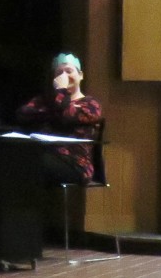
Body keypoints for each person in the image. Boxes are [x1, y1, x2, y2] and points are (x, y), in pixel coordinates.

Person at [15, 52, 105, 184]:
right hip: (45, 155)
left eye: (69, 71)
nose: (64, 76)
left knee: (34, 164)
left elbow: (66, 114)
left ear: (80, 75)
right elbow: (22, 114)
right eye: (59, 73)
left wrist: (61, 90)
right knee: (13, 159)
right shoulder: (46, 101)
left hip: (74, 163)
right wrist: (51, 111)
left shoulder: (90, 104)